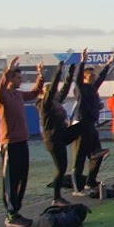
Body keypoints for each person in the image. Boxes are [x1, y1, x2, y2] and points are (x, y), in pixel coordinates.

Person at [0, 55, 42, 227]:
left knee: (22, 177)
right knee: (10, 179)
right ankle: (10, 214)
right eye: (18, 77)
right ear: (10, 79)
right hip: (9, 143)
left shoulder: (18, 95)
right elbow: (0, 88)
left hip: (22, 141)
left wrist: (40, 76)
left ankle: (16, 210)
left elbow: (35, 92)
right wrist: (8, 70)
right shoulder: (2, 96)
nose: (21, 80)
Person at [39, 57, 81, 206]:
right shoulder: (46, 105)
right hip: (53, 139)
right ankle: (56, 197)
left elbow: (64, 89)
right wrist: (58, 70)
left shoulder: (56, 101)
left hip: (62, 135)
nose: (57, 94)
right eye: (53, 92)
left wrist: (71, 74)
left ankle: (93, 151)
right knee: (61, 169)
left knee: (85, 126)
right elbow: (53, 89)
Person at [70, 59, 107, 197]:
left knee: (98, 154)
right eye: (90, 76)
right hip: (80, 125)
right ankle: (77, 189)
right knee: (79, 157)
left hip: (91, 125)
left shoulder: (93, 89)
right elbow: (77, 78)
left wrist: (108, 64)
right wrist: (82, 62)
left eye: (94, 76)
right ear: (84, 77)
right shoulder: (80, 87)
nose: (93, 78)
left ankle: (90, 181)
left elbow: (101, 78)